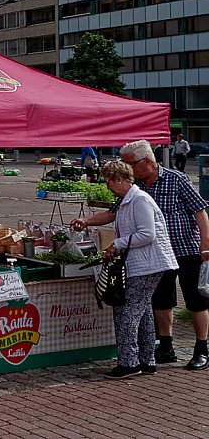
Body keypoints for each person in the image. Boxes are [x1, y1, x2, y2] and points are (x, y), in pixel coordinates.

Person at [76, 139, 209, 370]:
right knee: (161, 300)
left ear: (147, 161)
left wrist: (205, 244)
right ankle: (166, 346)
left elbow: (200, 211)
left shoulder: (176, 179)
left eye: (131, 165)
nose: (128, 170)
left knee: (195, 301)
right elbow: (113, 212)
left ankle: (202, 349)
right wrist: (86, 220)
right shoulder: (136, 186)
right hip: (156, 255)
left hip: (187, 248)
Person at [72, 160, 177, 378]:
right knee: (144, 311)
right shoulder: (127, 200)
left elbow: (148, 234)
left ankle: (129, 363)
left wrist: (117, 244)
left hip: (147, 264)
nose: (108, 186)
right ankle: (147, 360)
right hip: (145, 263)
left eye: (109, 182)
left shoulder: (139, 200)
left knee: (127, 311)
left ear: (120, 179)